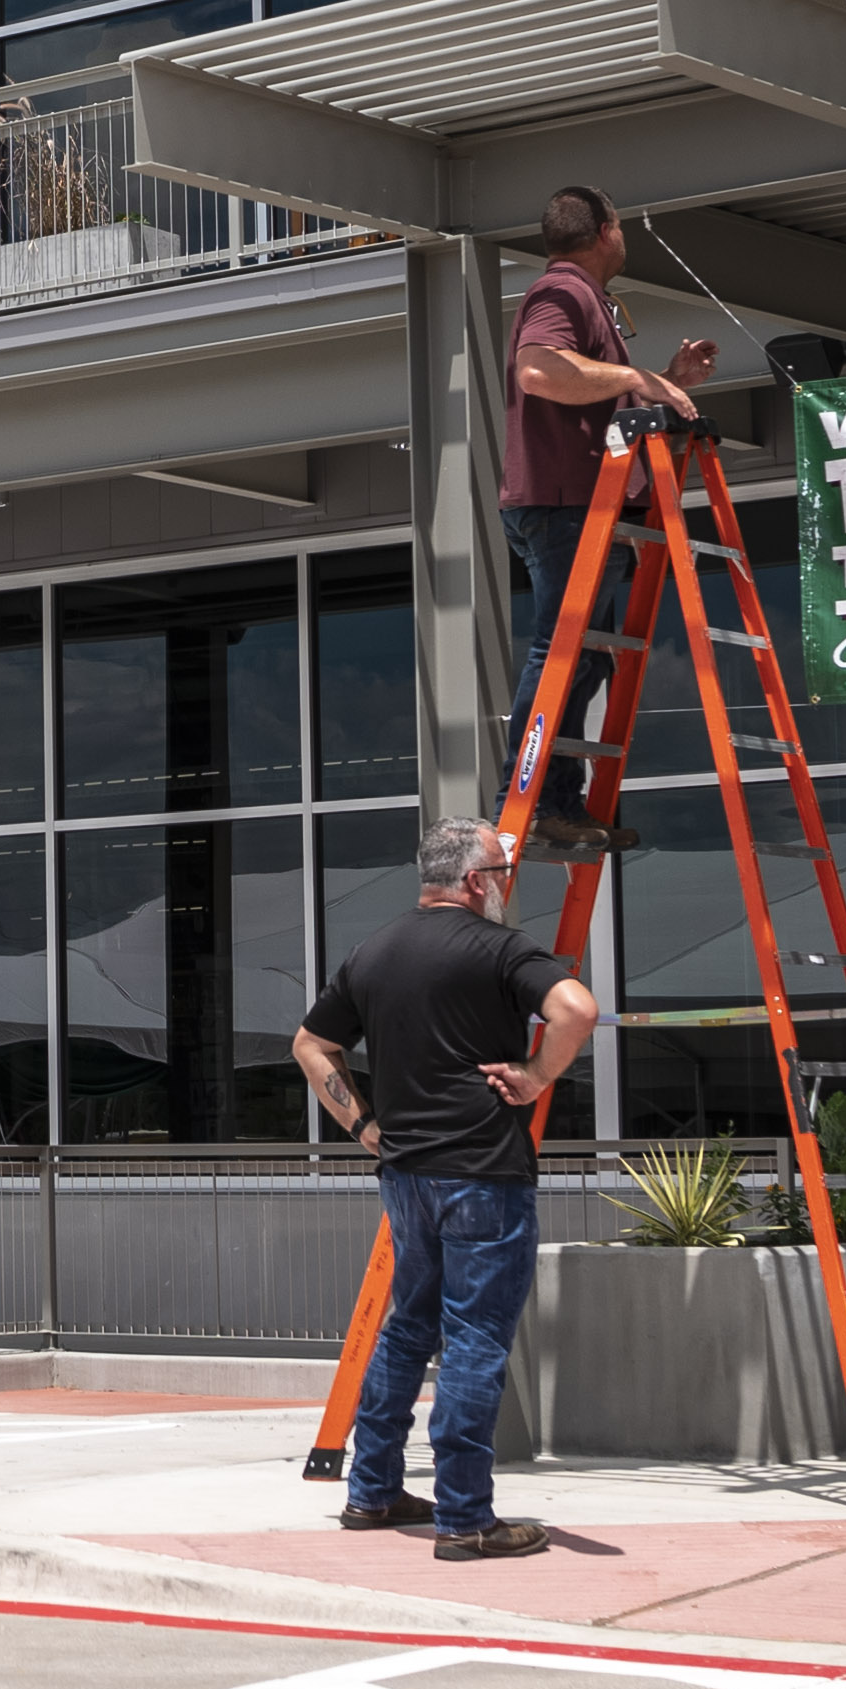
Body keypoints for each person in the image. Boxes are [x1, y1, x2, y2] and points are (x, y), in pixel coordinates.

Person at [297, 815, 601, 1559]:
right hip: (483, 1176)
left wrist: (362, 1124)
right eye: (501, 870)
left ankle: (371, 1493)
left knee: (408, 1329)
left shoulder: (375, 952)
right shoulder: (498, 950)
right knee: (474, 1340)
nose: (505, 884)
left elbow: (311, 1042)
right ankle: (465, 1517)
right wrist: (534, 1076)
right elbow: (577, 1010)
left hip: (405, 1173)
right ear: (473, 880)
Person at [502, 187, 721, 858]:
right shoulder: (560, 294)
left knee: (585, 658)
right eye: (621, 225)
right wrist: (644, 382)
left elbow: (586, 390)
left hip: (582, 505)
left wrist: (657, 377)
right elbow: (540, 370)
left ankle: (558, 803)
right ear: (604, 231)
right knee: (562, 651)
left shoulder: (583, 300)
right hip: (568, 505)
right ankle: (534, 802)